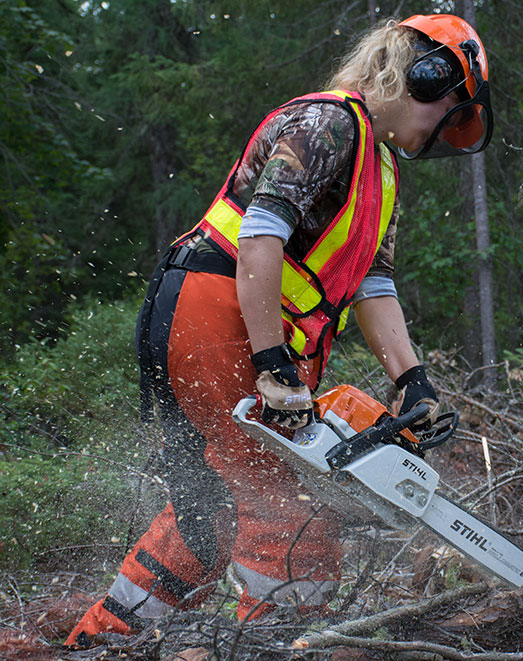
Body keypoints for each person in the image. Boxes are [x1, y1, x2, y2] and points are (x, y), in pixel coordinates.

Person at [66, 14, 492, 646]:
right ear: (421, 79)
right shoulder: (327, 124)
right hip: (215, 315)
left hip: (243, 328)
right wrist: (272, 362)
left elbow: (373, 283)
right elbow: (261, 234)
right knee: (289, 512)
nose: (440, 130)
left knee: (212, 504)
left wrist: (412, 379)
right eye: (447, 111)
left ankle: (103, 642)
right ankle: (279, 645)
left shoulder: (382, 170)